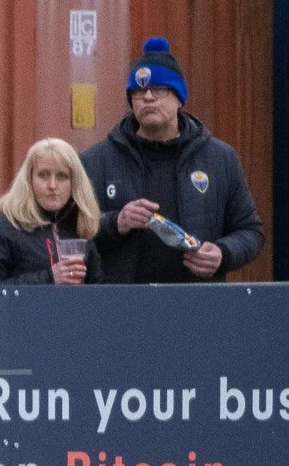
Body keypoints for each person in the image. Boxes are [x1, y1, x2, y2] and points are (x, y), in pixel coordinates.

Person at [81, 37, 264, 283]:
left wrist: (223, 253)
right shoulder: (97, 160)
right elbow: (70, 234)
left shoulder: (220, 159)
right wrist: (116, 222)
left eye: (159, 89)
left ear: (179, 98)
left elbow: (250, 232)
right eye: (138, 91)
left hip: (196, 307)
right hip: (121, 308)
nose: (147, 97)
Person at [0, 138, 102, 285]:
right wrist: (49, 278)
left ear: (75, 184)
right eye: (43, 175)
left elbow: (97, 293)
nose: (52, 185)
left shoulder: (79, 226)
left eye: (62, 176)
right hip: (21, 309)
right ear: (29, 180)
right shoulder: (2, 226)